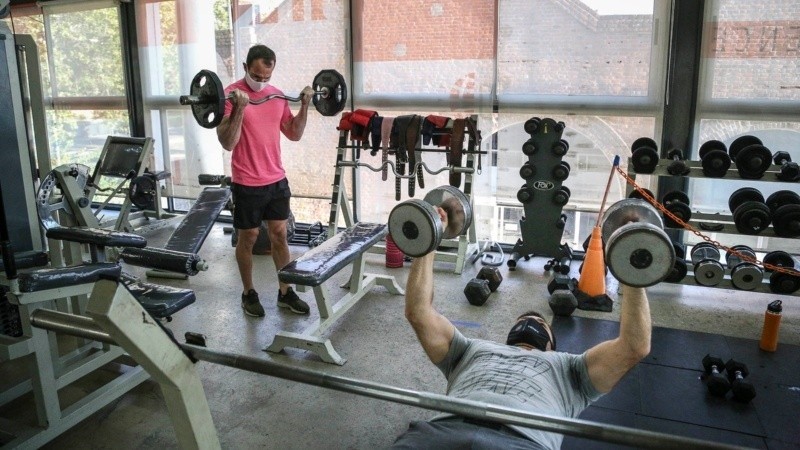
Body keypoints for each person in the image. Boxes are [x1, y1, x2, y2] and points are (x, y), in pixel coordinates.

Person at [393, 214, 651, 449]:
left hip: (521, 442)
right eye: (522, 320)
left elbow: (634, 347)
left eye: (539, 323)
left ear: (551, 344)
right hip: (440, 433)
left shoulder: (572, 371)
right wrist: (429, 238)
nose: (528, 322)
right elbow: (418, 312)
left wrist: (631, 267)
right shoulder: (468, 350)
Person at [217, 44, 314, 318]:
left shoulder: (277, 96)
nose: (261, 83)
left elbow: (294, 134)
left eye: (266, 78)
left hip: (276, 179)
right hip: (247, 181)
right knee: (247, 237)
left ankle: (285, 292)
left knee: (280, 236)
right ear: (246, 68)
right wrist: (239, 109)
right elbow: (228, 142)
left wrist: (304, 106)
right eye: (256, 76)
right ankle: (248, 293)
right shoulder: (228, 96)